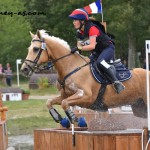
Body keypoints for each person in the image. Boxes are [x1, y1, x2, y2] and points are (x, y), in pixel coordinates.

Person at [69, 8, 125, 94]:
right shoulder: (80, 31)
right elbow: (82, 45)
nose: (73, 22)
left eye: (75, 20)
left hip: (108, 48)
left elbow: (91, 46)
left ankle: (117, 82)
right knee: (86, 64)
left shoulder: (92, 28)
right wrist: (77, 49)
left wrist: (79, 48)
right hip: (98, 51)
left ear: (82, 21)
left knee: (100, 62)